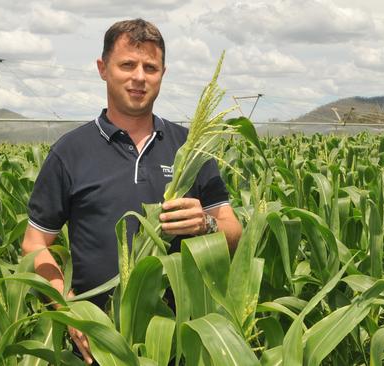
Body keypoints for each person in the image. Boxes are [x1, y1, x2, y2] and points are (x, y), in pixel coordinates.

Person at [21, 18, 242, 364]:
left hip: (178, 343)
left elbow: (233, 230)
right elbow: (34, 244)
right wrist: (70, 309)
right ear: (103, 69)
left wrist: (206, 225)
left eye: (150, 67)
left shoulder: (192, 149)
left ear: (163, 74)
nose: (139, 76)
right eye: (127, 64)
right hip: (97, 346)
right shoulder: (70, 152)